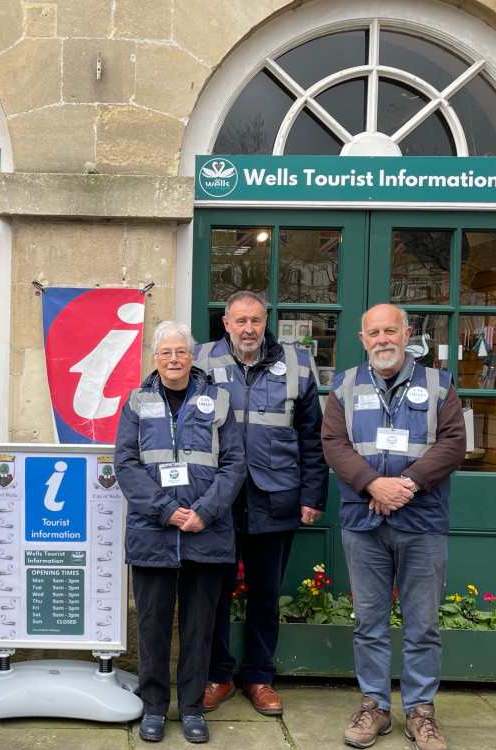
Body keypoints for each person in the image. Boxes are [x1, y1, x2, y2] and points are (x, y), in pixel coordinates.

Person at [322, 304, 466, 750]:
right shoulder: (344, 386)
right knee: (369, 622)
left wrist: (406, 484)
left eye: (390, 331)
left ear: (407, 334)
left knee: (423, 625)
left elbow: (454, 443)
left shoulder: (439, 384)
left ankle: (421, 712)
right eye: (373, 333)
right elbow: (333, 443)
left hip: (421, 520)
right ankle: (375, 708)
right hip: (363, 521)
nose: (382, 339)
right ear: (362, 339)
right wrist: (372, 485)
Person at [194, 291, 328, 716]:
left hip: (277, 498)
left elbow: (313, 435)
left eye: (255, 320)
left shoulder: (298, 363)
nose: (249, 329)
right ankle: (218, 675)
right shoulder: (200, 361)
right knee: (212, 594)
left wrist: (312, 496)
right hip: (218, 499)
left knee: (266, 596)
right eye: (240, 321)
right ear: (226, 324)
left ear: (265, 321)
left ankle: (259, 677)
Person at [115, 321, 245, 744]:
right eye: (166, 352)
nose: (174, 359)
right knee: (151, 625)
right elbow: (126, 466)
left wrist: (203, 513)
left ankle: (191, 708)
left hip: (206, 531)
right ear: (154, 358)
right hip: (153, 531)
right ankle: (153, 706)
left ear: (192, 356)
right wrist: (168, 511)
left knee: (198, 626)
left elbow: (234, 465)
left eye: (181, 352)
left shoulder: (218, 400)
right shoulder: (136, 401)